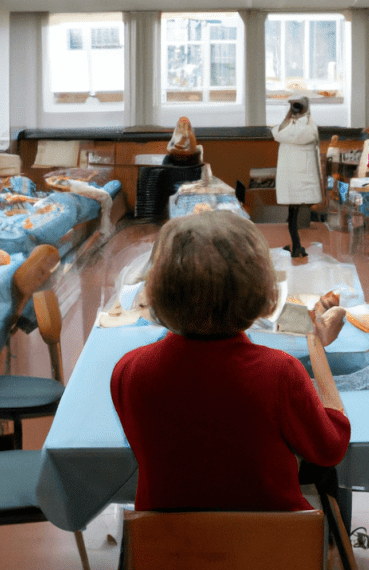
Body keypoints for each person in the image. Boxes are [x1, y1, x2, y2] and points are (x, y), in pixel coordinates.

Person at [111, 210, 350, 513]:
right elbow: (331, 448)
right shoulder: (279, 372)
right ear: (261, 289)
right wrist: (315, 343)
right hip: (267, 540)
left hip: (168, 541)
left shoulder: (130, 370)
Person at [272, 94, 323, 258]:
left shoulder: (304, 127)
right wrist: (292, 115)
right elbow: (280, 133)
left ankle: (297, 246)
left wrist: (290, 116)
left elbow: (280, 134)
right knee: (294, 217)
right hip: (297, 179)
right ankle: (296, 246)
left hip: (297, 179)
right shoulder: (305, 126)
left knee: (294, 217)